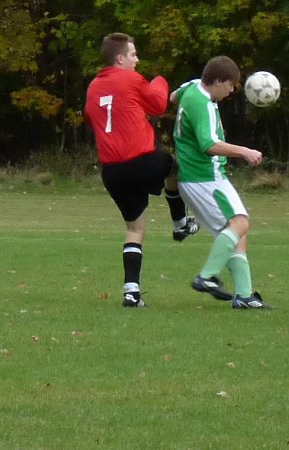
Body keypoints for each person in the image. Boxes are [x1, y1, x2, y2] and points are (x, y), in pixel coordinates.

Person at [83, 32, 199, 308]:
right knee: (175, 167)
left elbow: (91, 115)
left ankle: (131, 292)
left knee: (135, 229)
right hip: (140, 161)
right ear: (120, 58)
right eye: (133, 55)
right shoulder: (131, 79)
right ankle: (180, 223)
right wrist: (161, 80)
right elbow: (158, 105)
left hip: (112, 171)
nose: (137, 60)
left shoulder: (93, 87)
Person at [170, 55, 272, 309]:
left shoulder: (192, 87)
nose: (231, 91)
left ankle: (244, 296)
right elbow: (208, 145)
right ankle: (207, 276)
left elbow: (173, 97)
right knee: (240, 223)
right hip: (204, 177)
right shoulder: (202, 103)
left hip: (198, 177)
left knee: (237, 231)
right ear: (216, 81)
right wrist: (244, 151)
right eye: (229, 85)